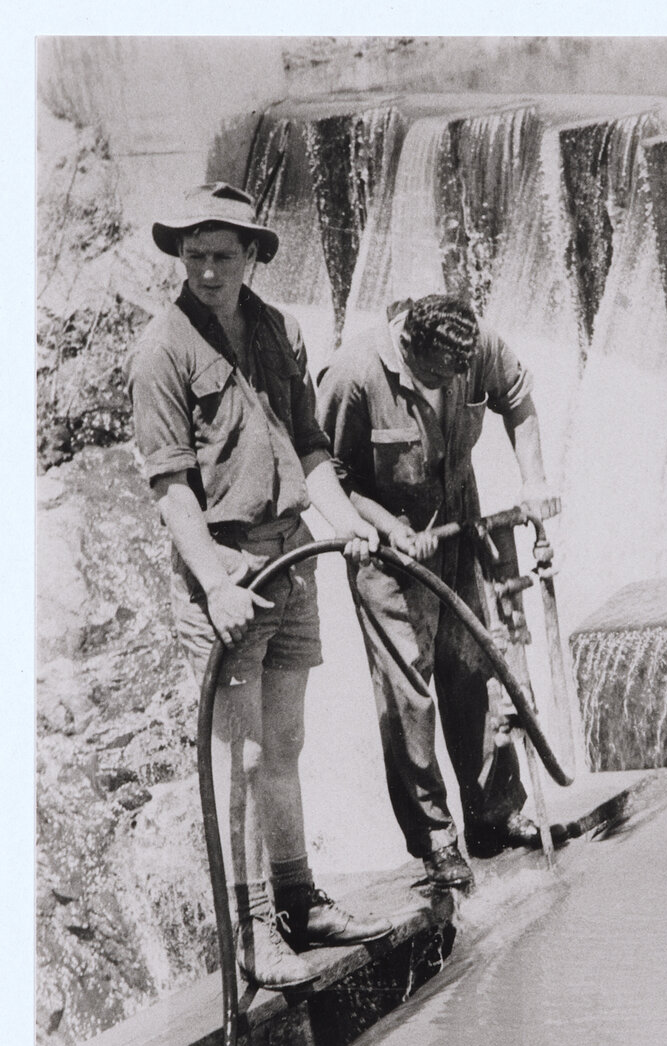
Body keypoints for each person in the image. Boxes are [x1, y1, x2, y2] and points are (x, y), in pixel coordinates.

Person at [128, 182, 392, 990]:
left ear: (251, 258)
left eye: (223, 256)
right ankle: (251, 933)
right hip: (231, 574)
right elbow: (173, 491)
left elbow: (310, 448)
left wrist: (345, 520)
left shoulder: (278, 332)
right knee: (239, 759)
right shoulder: (162, 352)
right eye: (194, 255)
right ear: (181, 256)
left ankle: (298, 897)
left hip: (293, 558)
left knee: (284, 746)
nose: (207, 271)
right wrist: (213, 585)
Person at [317, 294, 550, 890]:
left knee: (473, 670)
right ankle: (436, 840)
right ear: (408, 347)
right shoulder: (352, 375)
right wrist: (388, 529)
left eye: (457, 376)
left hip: (457, 529)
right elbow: (330, 478)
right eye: (434, 376)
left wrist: (535, 481)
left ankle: (493, 815)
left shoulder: (475, 345)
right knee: (409, 695)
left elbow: (518, 400)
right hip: (387, 555)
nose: (448, 383)